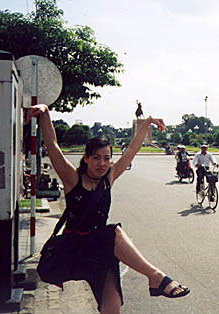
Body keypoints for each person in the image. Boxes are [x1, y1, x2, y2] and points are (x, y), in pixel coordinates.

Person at [26, 104, 189, 314]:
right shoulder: (72, 178)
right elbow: (53, 145)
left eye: (106, 158)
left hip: (100, 251)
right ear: (86, 158)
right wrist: (46, 113)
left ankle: (154, 278)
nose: (102, 164)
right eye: (96, 158)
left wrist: (147, 122)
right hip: (75, 249)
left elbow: (131, 150)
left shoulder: (108, 178)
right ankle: (156, 277)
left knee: (112, 310)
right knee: (113, 231)